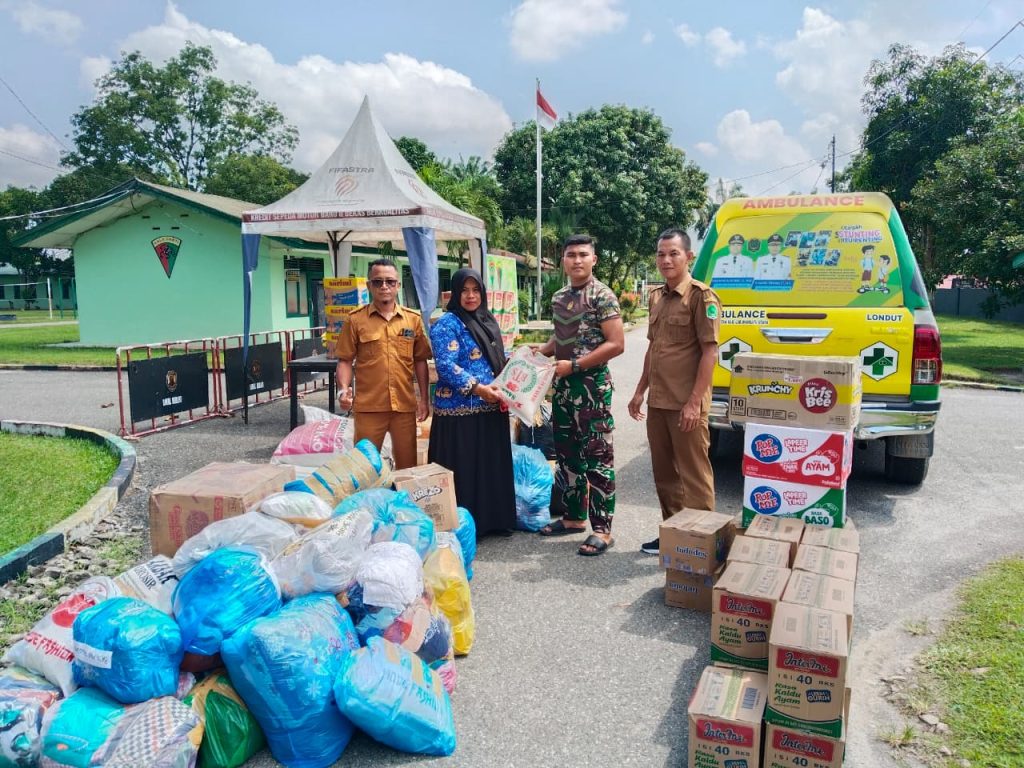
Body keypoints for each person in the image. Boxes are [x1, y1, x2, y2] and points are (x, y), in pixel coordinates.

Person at [628, 228, 721, 554]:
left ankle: (704, 543)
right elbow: (653, 348)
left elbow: (710, 353)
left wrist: (694, 403)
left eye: (673, 253)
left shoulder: (701, 298)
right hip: (659, 402)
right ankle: (675, 533)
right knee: (665, 475)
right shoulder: (657, 296)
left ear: (688, 257)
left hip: (686, 404)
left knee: (694, 476)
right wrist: (640, 390)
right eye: (661, 254)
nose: (666, 260)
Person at [535, 235, 625, 556]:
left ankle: (602, 529)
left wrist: (574, 365)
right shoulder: (559, 297)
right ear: (563, 260)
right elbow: (559, 339)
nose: (577, 260)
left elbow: (616, 343)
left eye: (583, 254)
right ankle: (573, 518)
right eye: (571, 254)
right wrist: (538, 352)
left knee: (598, 458)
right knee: (567, 456)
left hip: (591, 389)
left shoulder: (603, 295)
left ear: (593, 259)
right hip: (562, 390)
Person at [428, 268, 516, 536]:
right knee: (465, 468)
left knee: (489, 465)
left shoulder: (487, 320)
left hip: (490, 406)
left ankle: (494, 521)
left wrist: (518, 364)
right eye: (464, 290)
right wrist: (478, 388)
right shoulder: (447, 323)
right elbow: (445, 365)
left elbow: (496, 357)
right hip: (459, 411)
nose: (470, 296)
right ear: (455, 293)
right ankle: (465, 526)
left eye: (476, 290)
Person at [335, 258, 432, 470]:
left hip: (404, 408)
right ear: (369, 286)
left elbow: (420, 360)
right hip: (369, 408)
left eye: (390, 281)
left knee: (407, 469)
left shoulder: (412, 320)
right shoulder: (355, 320)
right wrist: (343, 390)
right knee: (364, 468)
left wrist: (424, 400)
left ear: (398, 285)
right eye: (378, 282)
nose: (384, 286)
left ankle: (401, 493)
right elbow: (345, 360)